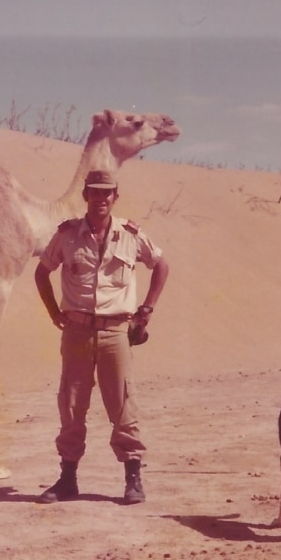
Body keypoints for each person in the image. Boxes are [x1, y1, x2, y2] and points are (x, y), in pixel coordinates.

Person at [34, 169, 169, 504]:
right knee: (72, 404)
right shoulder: (66, 235)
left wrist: (147, 309)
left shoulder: (131, 234)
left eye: (107, 193)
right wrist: (53, 311)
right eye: (95, 192)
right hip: (77, 331)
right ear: (86, 196)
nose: (101, 199)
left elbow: (161, 264)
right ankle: (67, 479)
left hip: (116, 333)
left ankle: (133, 478)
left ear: (115, 197)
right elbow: (42, 272)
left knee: (123, 403)